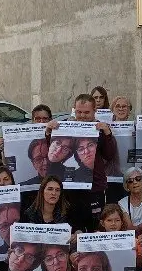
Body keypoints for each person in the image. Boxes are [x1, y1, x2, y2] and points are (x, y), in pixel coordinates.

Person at [46, 93, 119, 231]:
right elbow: (51, 155)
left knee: (95, 227)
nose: (82, 116)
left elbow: (110, 156)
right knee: (71, 227)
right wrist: (49, 133)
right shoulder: (64, 128)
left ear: (94, 111)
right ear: (74, 109)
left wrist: (108, 133)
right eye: (79, 112)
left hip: (94, 188)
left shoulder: (101, 129)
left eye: (87, 112)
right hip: (70, 187)